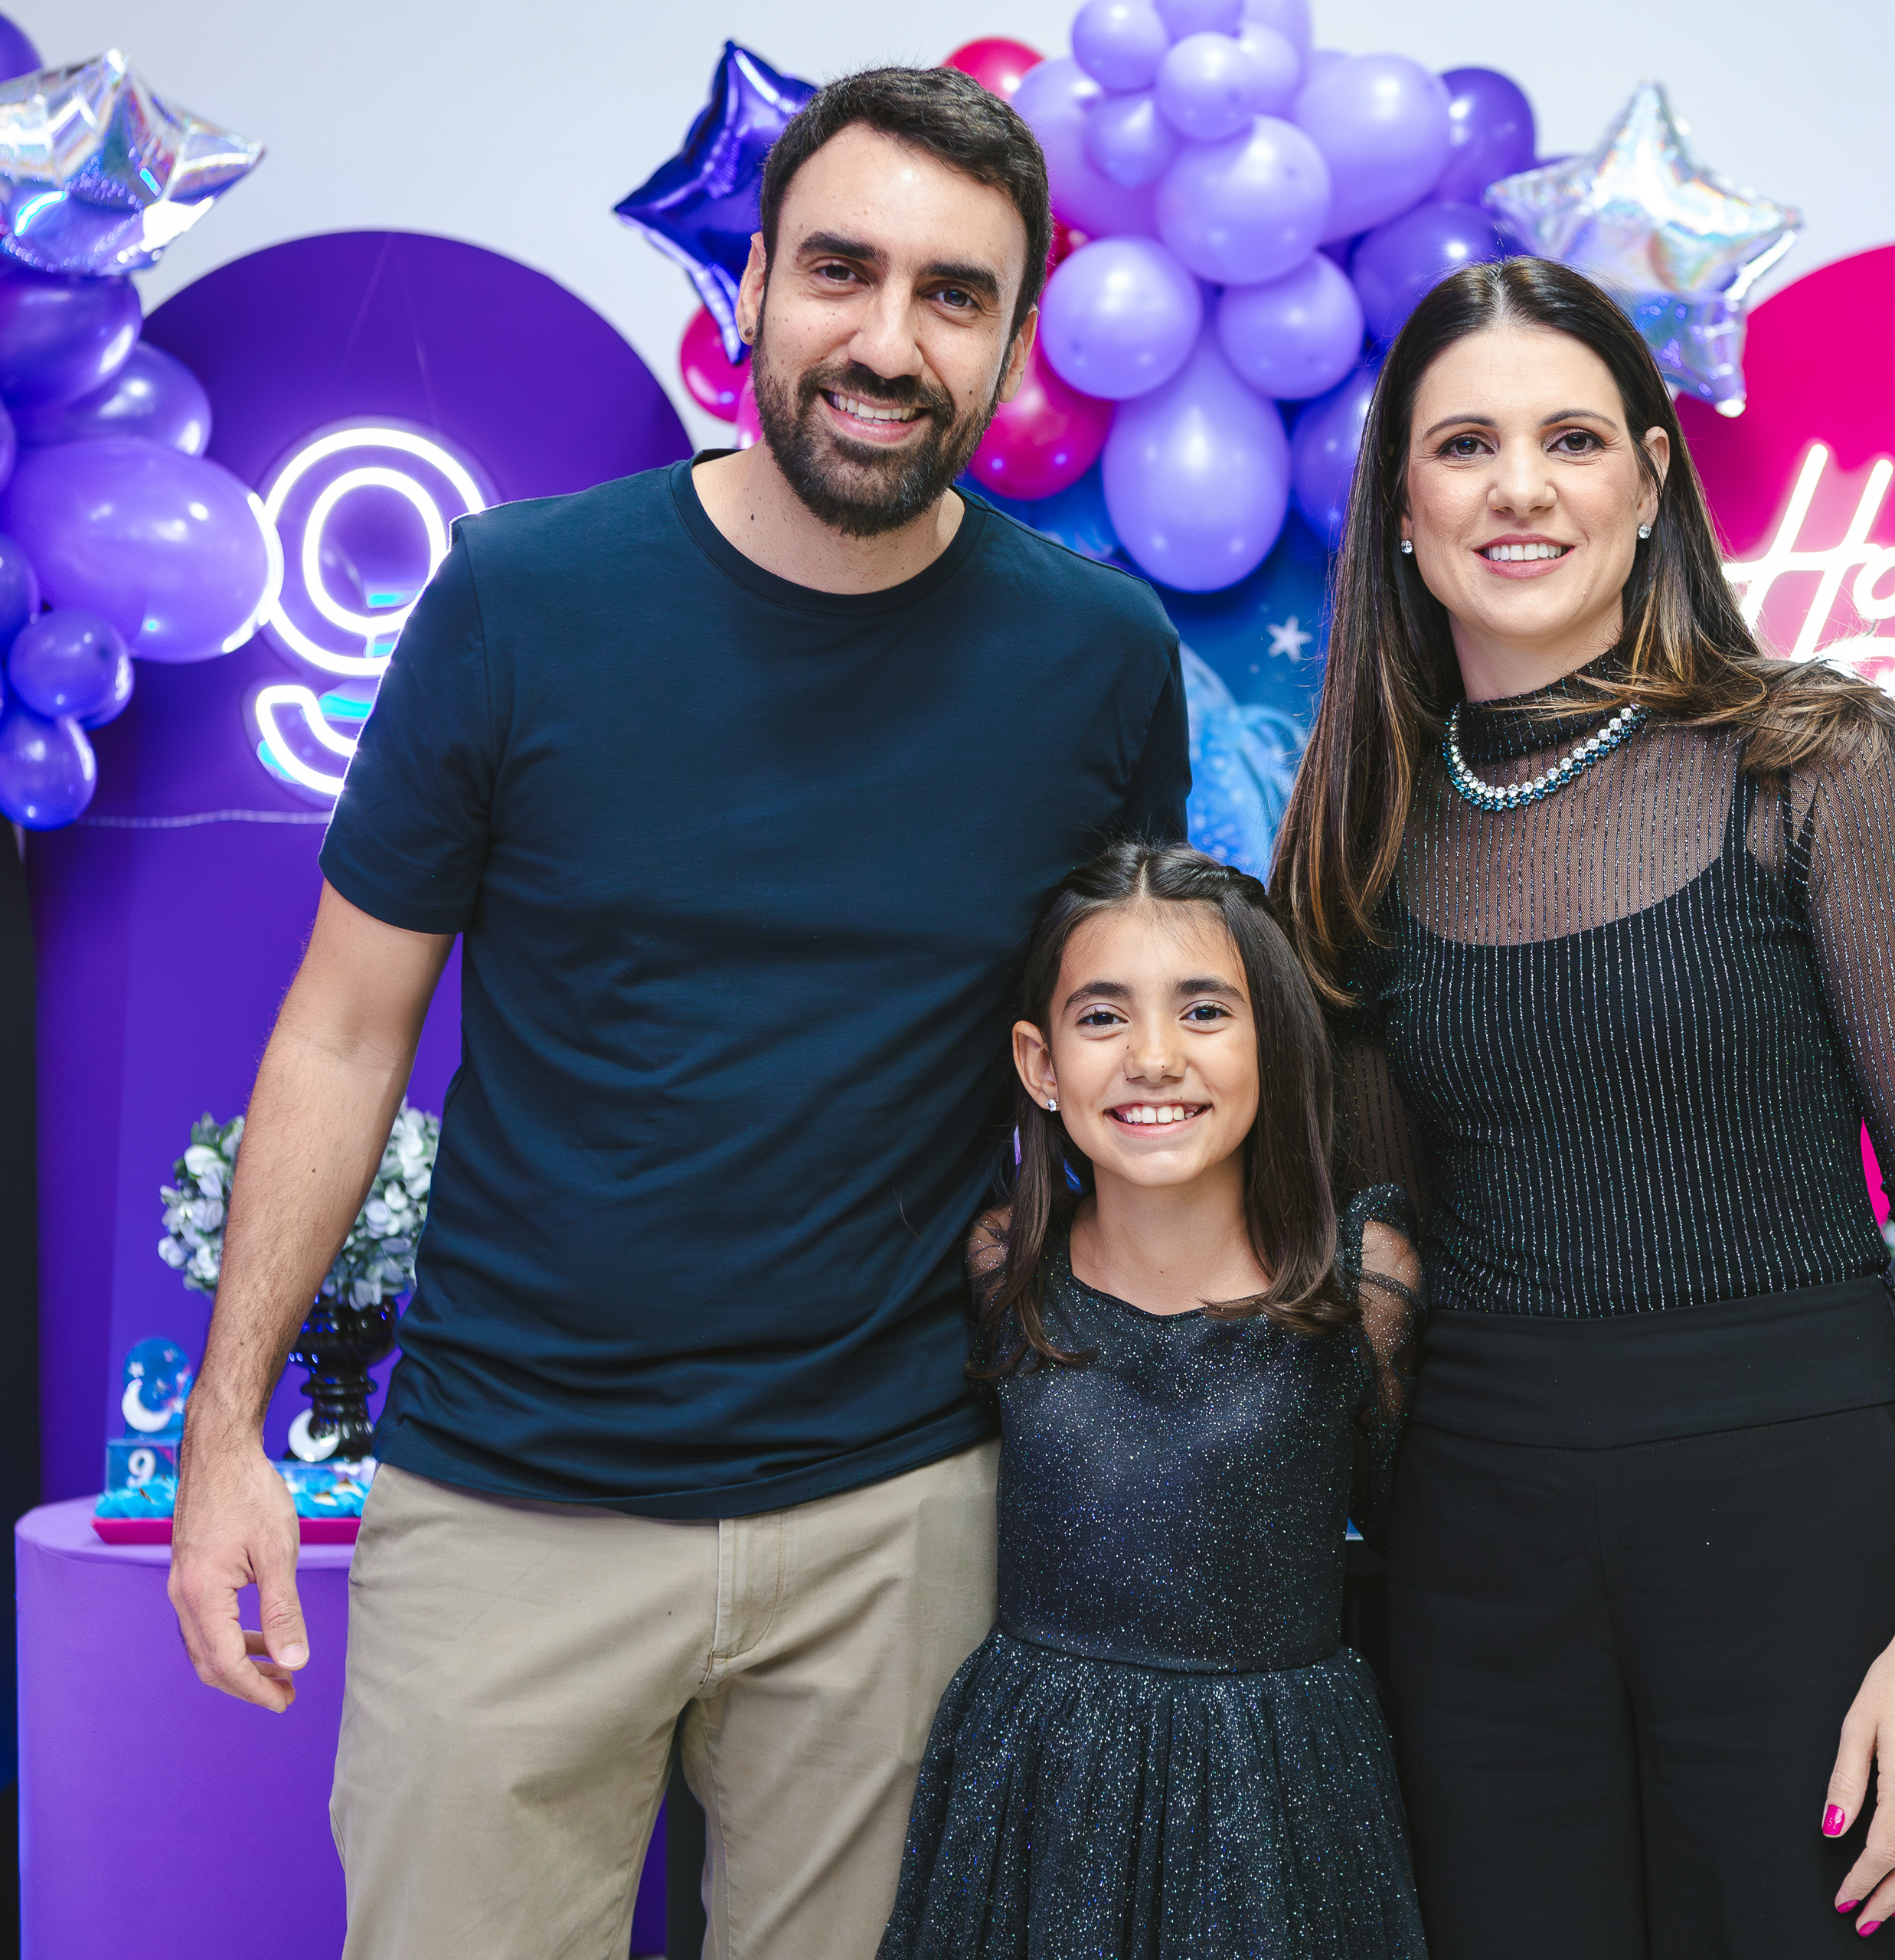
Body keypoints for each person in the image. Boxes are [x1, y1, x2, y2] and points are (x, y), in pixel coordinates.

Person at [164, 67, 1188, 1960]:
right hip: (510, 1495)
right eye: (842, 271)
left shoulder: (1097, 658)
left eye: (954, 295)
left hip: (896, 1513)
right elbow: (342, 1027)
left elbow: (1121, 1062)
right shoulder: (522, 598)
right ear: (754, 286)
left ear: (1014, 338)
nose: (888, 341)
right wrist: (227, 1429)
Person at [1273, 256, 1895, 1958]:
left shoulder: (1809, 761)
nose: (1520, 487)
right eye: (1465, 445)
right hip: (1479, 1571)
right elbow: (1381, 1248)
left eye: (1570, 439)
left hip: (1808, 1535)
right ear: (1401, 507)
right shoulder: (1359, 835)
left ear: (1649, 479)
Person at [876, 840, 1428, 1960]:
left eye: (1205, 1011)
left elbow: (1403, 1509)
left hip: (1279, 1796)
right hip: (1035, 1791)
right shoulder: (1002, 1266)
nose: (1155, 1058)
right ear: (1040, 1063)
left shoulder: (1362, 1280)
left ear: (1275, 1039)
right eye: (1103, 1017)